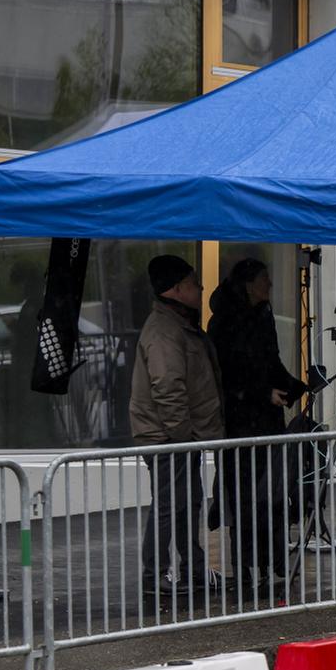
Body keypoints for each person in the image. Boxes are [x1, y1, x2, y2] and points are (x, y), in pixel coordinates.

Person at [207, 257, 309, 595]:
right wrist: (262, 393)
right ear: (248, 283)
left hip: (266, 420)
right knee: (245, 497)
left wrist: (293, 385)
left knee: (271, 494)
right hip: (240, 423)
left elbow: (271, 361)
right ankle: (246, 566)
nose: (270, 285)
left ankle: (271, 562)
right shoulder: (224, 322)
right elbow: (227, 375)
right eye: (265, 279)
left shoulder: (263, 316)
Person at [130, 254, 222, 597]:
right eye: (194, 283)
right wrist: (182, 435)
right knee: (170, 506)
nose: (200, 288)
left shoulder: (178, 323)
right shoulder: (165, 330)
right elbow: (167, 387)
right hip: (169, 437)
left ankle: (192, 567)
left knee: (188, 502)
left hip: (180, 435)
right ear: (178, 289)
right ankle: (155, 575)